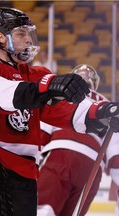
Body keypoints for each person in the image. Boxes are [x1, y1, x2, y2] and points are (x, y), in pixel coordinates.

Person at [0, 8, 119, 216]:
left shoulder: (37, 75)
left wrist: (102, 111)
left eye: (29, 34)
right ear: (1, 37)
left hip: (23, 163)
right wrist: (49, 85)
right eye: (22, 33)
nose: (29, 40)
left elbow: (63, 110)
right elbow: (4, 95)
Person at [37, 64, 108, 216]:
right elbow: (115, 150)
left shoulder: (62, 95)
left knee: (44, 209)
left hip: (62, 154)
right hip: (93, 167)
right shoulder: (105, 104)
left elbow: (42, 132)